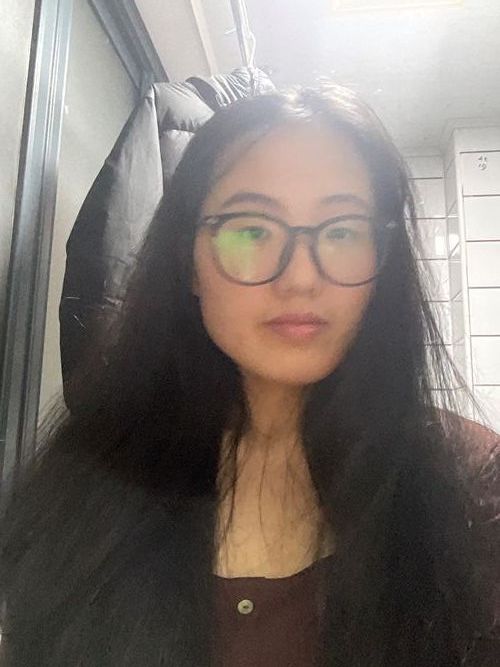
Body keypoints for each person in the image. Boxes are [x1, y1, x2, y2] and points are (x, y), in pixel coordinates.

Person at [0, 84, 498, 666]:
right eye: (252, 230)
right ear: (188, 262)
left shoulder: (470, 483)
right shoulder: (90, 471)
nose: (301, 278)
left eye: (341, 230)